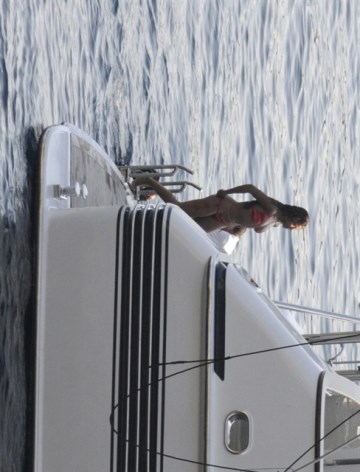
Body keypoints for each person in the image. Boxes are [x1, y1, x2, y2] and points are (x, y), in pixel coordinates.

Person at [131, 176, 309, 234]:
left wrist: (235, 224)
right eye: (295, 225)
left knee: (188, 230)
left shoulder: (275, 222)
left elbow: (248, 221)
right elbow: (251, 188)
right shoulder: (272, 209)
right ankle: (148, 180)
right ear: (292, 217)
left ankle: (147, 222)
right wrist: (227, 192)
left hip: (222, 221)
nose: (292, 229)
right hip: (221, 206)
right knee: (178, 209)